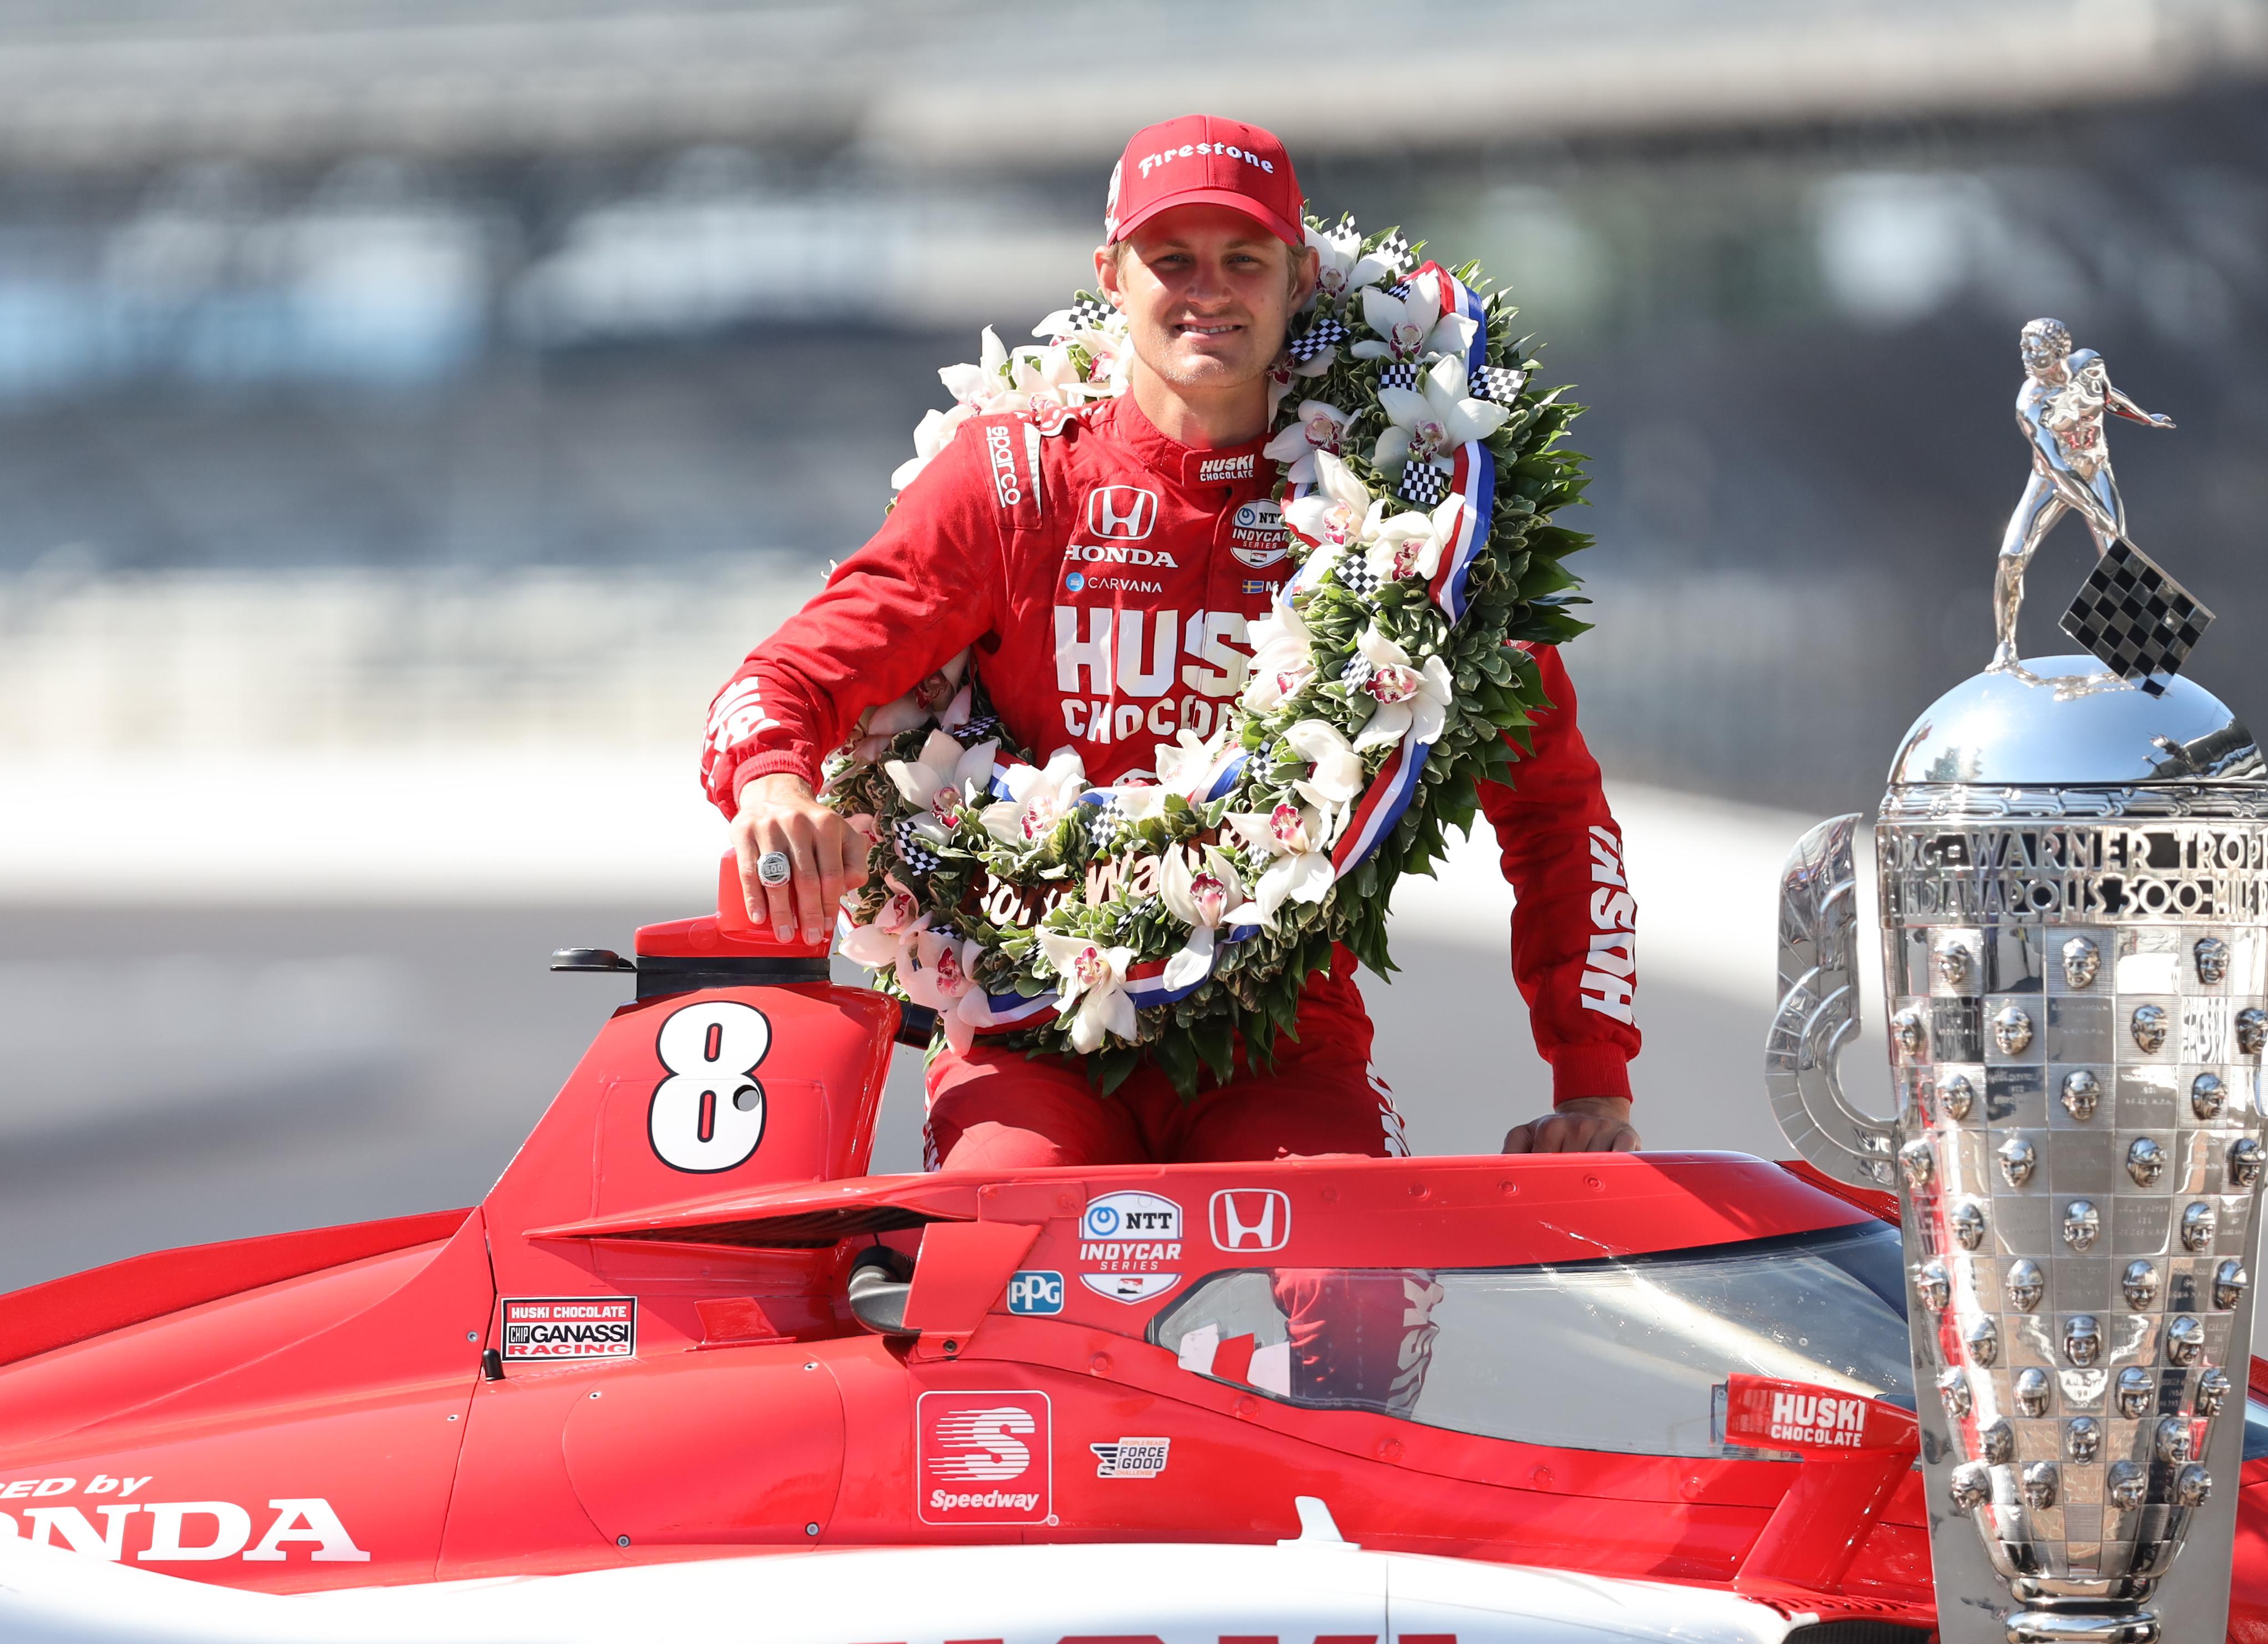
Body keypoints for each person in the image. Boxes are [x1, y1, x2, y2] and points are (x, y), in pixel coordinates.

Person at [698, 115, 1641, 1173]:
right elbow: (780, 679)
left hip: (1284, 1046)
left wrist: (1592, 1079)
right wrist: (775, 784)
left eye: (1245, 260)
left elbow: (1556, 803)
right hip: (1027, 1034)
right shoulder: (1013, 481)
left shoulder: (1412, 523)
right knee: (1004, 1259)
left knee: (1361, 1293)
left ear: (1298, 281)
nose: (1210, 290)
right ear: (1111, 274)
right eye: (1172, 259)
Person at [1989, 315, 2172, 672]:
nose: (2026, 355)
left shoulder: (2090, 366)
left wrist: (2146, 418)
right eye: (2023, 348)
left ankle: (2141, 646)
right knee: (2010, 556)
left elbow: (2108, 398)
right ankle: (2005, 647)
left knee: (2117, 550)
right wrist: (2093, 508)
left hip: (2095, 467)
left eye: (2035, 349)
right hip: (2051, 479)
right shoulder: (2031, 402)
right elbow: (2055, 464)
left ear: (2059, 352)